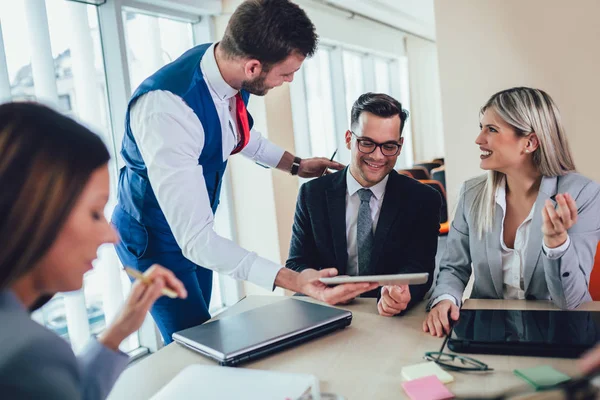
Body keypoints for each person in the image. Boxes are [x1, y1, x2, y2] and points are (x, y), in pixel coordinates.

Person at [112, 0, 376, 343]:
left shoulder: (224, 67)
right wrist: (294, 280)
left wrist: (296, 165)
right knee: (190, 340)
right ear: (253, 67)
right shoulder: (168, 112)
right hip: (152, 239)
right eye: (286, 73)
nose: (289, 80)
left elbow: (238, 135)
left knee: (199, 330)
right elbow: (197, 241)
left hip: (193, 226)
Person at [0, 102, 187, 399]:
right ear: (33, 208)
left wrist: (119, 330)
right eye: (95, 213)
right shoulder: (27, 355)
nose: (112, 235)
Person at [424, 87, 600, 337]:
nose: (479, 139)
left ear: (529, 142)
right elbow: (453, 267)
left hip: (558, 336)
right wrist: (445, 298)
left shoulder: (583, 195)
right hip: (486, 336)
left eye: (491, 129)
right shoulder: (471, 193)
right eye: (481, 127)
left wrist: (557, 244)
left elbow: (570, 302)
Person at [286, 93, 442, 316]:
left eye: (389, 146)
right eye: (367, 143)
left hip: (392, 315)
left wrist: (403, 293)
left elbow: (419, 268)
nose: (378, 156)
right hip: (328, 309)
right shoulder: (313, 195)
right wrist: (325, 286)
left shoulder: (423, 199)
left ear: (400, 144)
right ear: (349, 139)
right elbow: (297, 263)